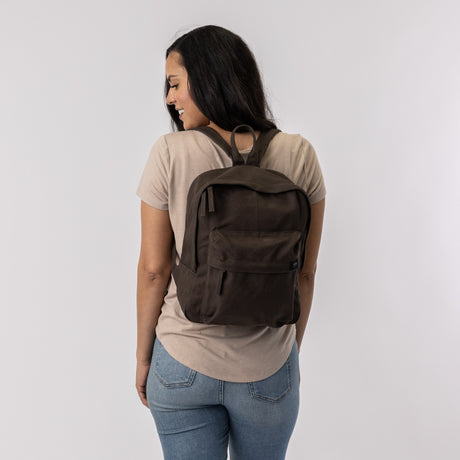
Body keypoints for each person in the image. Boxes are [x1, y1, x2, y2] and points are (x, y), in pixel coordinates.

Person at [135, 25, 326, 460]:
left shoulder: (169, 152)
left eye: (175, 84)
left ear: (209, 78)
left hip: (182, 360)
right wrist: (287, 357)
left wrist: (145, 358)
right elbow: (306, 273)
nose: (169, 98)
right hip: (268, 366)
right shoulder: (299, 154)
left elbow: (153, 271)